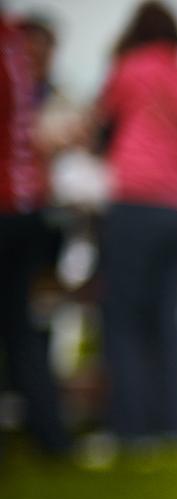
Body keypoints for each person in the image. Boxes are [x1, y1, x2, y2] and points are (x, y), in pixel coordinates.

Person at [94, 1, 177, 446]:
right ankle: (173, 423)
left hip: (135, 201)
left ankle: (131, 427)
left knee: (124, 319)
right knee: (167, 320)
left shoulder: (130, 69)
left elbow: (102, 127)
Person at [0, 2, 71, 459]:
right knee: (21, 326)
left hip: (10, 203)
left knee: (21, 324)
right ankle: (51, 436)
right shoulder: (14, 48)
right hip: (26, 208)